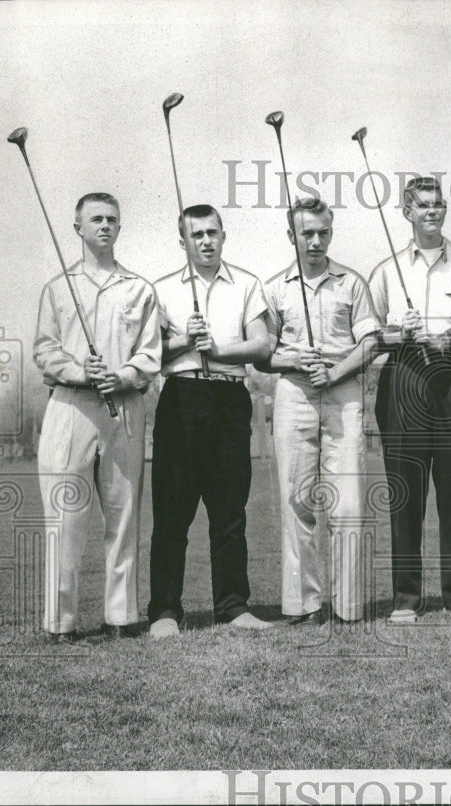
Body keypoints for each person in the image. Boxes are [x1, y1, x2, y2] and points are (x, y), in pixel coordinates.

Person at [34, 192, 161, 642]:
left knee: (123, 515)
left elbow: (150, 352)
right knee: (65, 517)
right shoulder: (57, 287)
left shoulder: (139, 288)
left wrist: (123, 375)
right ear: (78, 228)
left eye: (112, 219)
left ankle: (121, 617)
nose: (104, 226)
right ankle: (60, 623)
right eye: (95, 219)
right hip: (69, 406)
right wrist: (78, 370)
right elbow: (45, 350)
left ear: (119, 228)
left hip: (124, 406)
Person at [368, 176, 451, 623]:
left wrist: (448, 344)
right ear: (407, 212)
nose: (432, 212)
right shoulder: (386, 271)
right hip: (403, 378)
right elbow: (369, 334)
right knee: (406, 492)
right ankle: (406, 599)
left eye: (438, 204)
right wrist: (397, 333)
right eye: (423, 205)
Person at [148, 204, 273, 638]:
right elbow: (148, 354)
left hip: (228, 398)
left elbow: (261, 345)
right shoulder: (161, 290)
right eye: (196, 234)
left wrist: (217, 348)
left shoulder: (247, 284)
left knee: (229, 511)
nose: (205, 241)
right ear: (182, 240)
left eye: (212, 233)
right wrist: (185, 338)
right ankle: (165, 611)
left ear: (224, 235)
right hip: (180, 397)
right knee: (171, 512)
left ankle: (233, 606)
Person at [256, 196, 379, 625]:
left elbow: (369, 343)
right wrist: (294, 361)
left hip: (343, 395)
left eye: (322, 232)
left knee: (346, 506)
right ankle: (303, 605)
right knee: (297, 500)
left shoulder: (352, 283)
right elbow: (262, 355)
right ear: (292, 236)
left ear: (331, 233)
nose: (315, 241)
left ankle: (347, 608)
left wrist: (336, 372)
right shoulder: (274, 287)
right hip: (293, 395)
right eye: (306, 233)